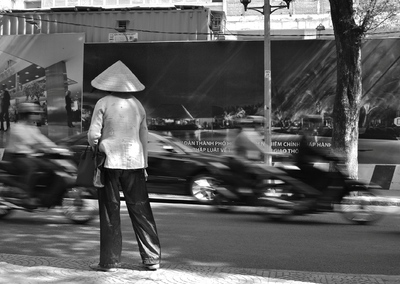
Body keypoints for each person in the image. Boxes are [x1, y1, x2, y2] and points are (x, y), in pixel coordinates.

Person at [88, 60, 161, 272]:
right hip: (136, 162)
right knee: (141, 210)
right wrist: (144, 164)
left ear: (109, 83)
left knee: (110, 210)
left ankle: (109, 262)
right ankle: (152, 258)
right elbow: (144, 135)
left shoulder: (103, 102)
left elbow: (93, 135)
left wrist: (96, 146)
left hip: (110, 161)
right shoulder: (138, 105)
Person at [5, 103, 59, 208]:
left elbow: (42, 139)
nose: (39, 115)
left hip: (29, 156)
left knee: (50, 167)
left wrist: (56, 148)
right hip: (16, 157)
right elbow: (30, 142)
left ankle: (42, 194)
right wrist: (42, 148)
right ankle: (26, 195)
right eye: (35, 113)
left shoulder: (32, 127)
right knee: (32, 168)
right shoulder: (17, 128)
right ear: (27, 114)